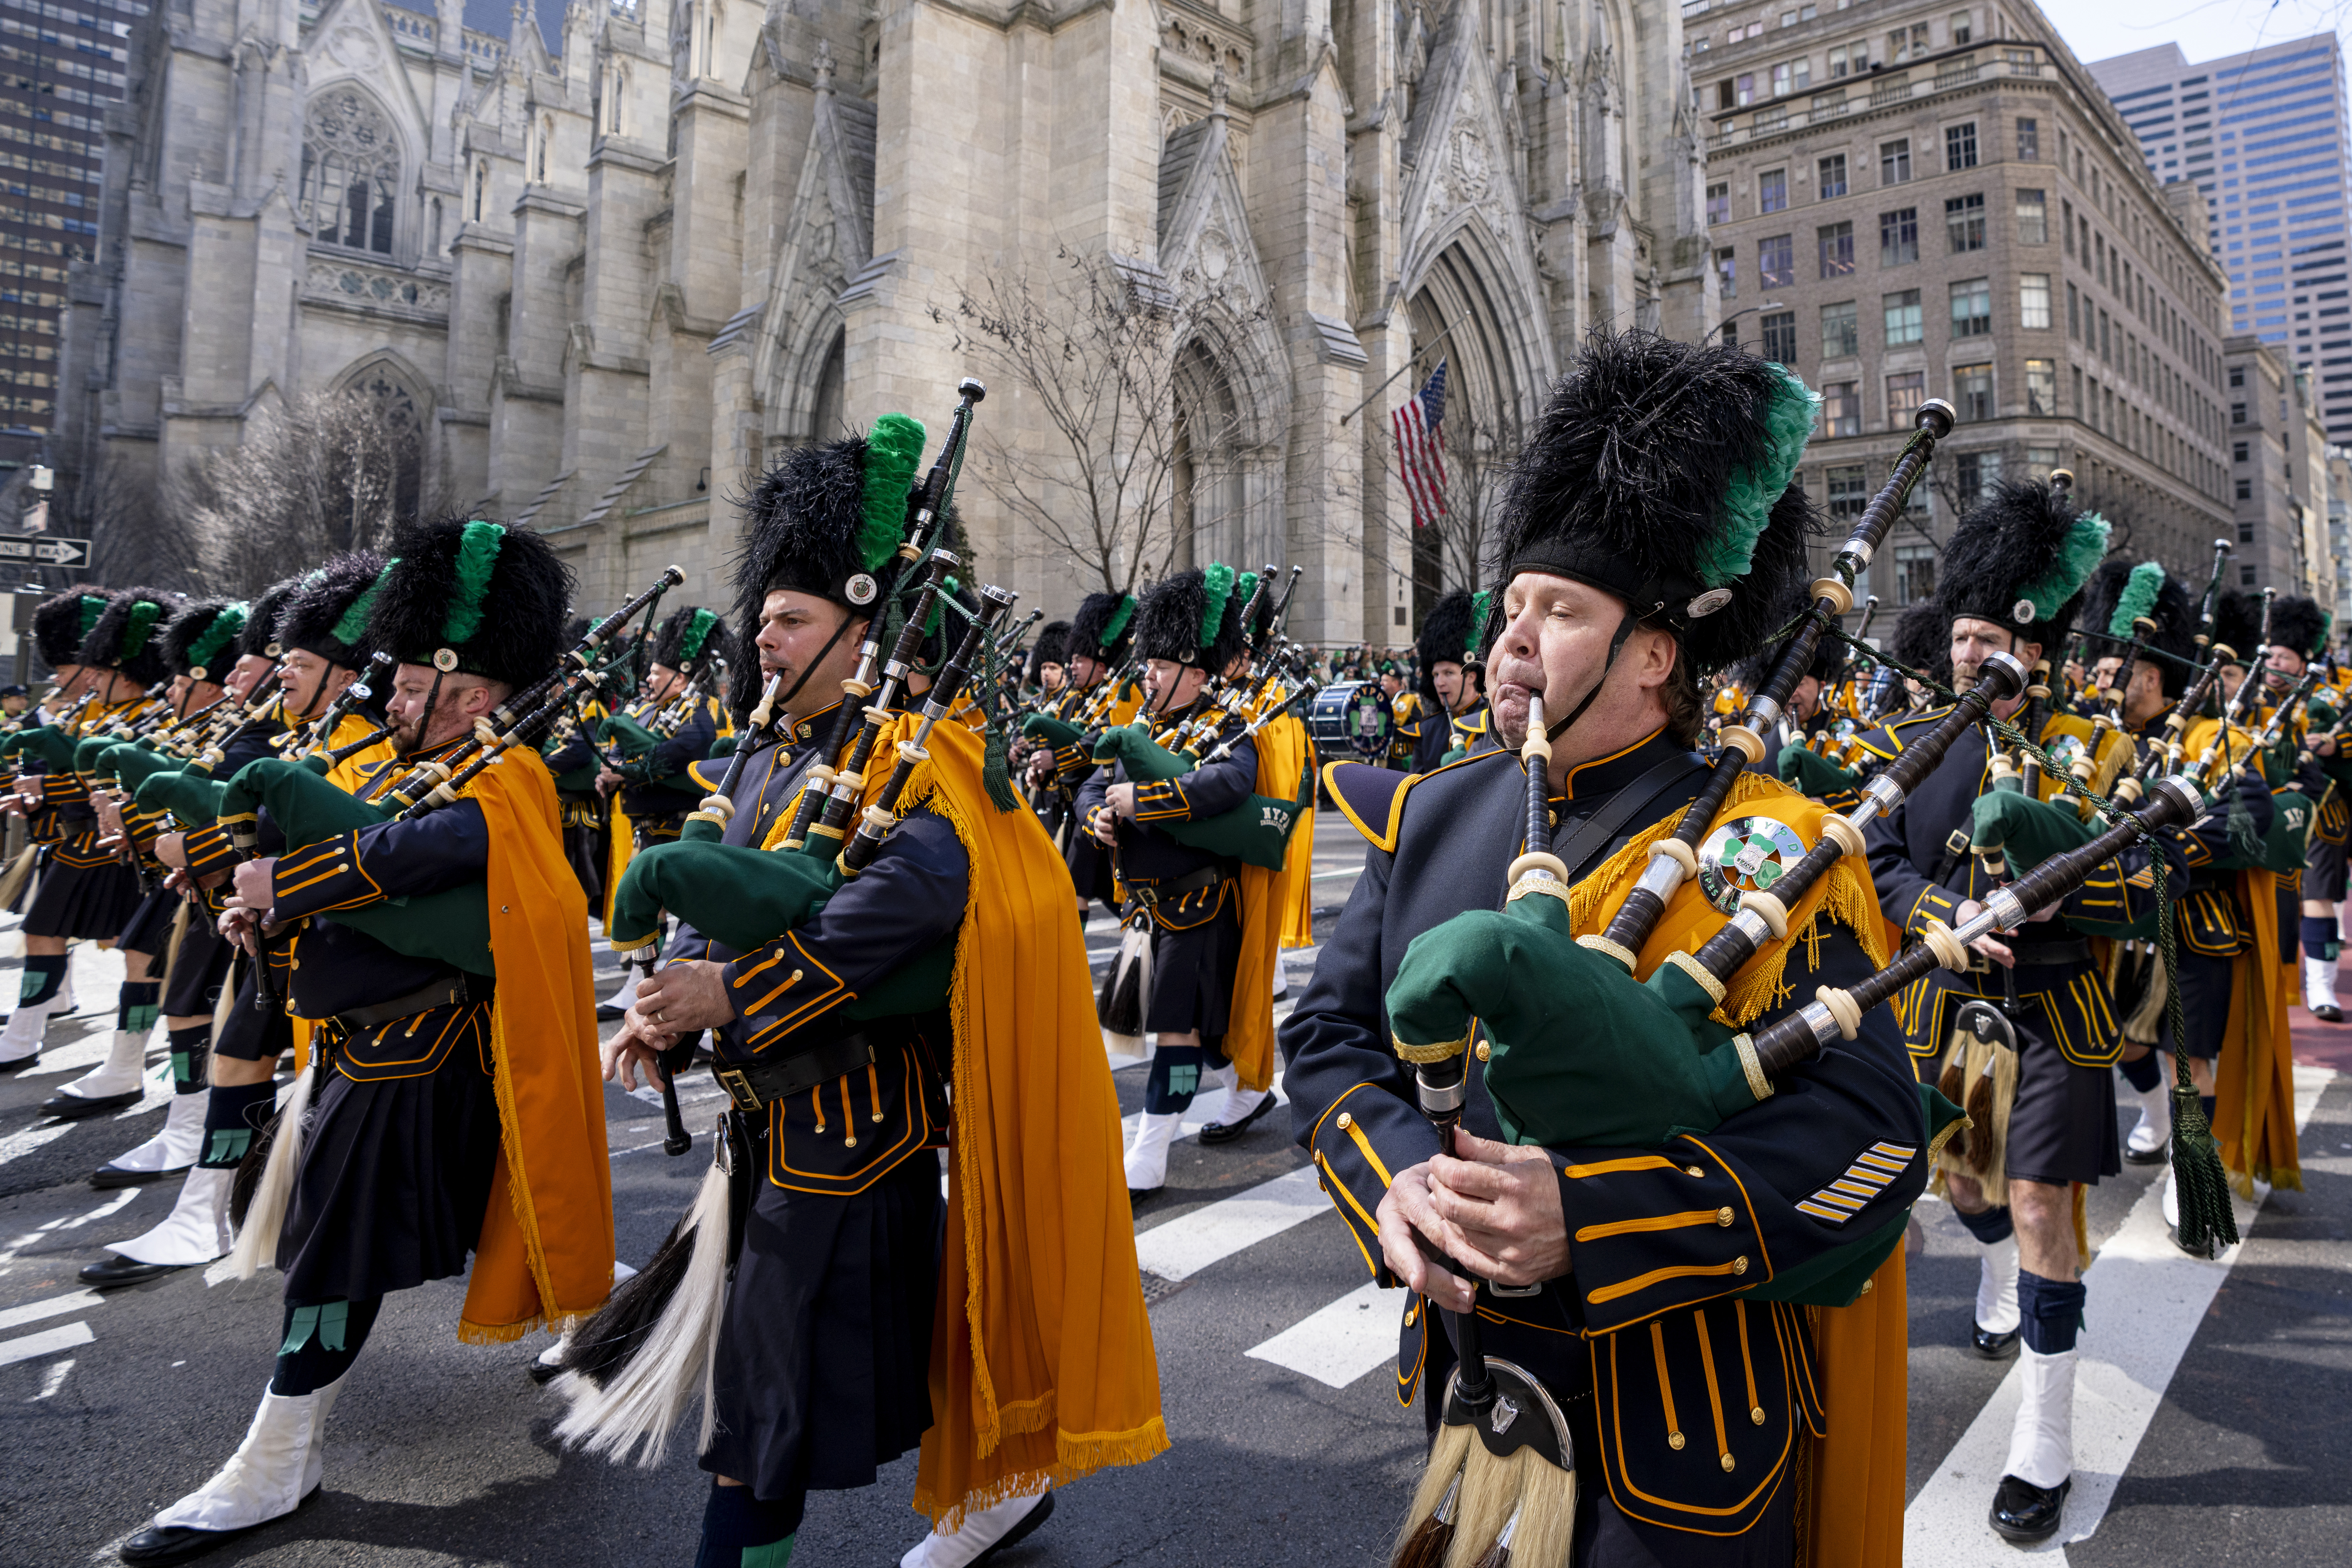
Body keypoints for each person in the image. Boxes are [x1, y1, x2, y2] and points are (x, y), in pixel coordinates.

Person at [1287, 331, 1925, 1566]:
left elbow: (1875, 1142)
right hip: (1476, 1401)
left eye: (1559, 611)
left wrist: (1592, 1216)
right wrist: (1396, 1177)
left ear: (1653, 654)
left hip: (1683, 1446)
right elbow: (1327, 1036)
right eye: (1510, 608)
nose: (1510, 638)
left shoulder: (1773, 846)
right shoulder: (1433, 812)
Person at [596, 422, 1164, 1568]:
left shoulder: (920, 757)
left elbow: (901, 901)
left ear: (868, 633)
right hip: (764, 1132)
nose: (763, 634)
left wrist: (729, 995)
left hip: (855, 1140)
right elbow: (728, 875)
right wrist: (660, 1003)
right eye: (762, 616)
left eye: (791, 619)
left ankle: (995, 1490)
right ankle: (1001, 1493)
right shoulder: (769, 749)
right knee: (872, 1373)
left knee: (760, 1439)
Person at [116, 520, 611, 1564]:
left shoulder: (504, 781)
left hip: (415, 1060)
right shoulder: (419, 761)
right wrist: (267, 894)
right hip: (356, 1051)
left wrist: (285, 882)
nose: (385, 696)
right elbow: (372, 846)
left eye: (409, 684)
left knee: (334, 1262)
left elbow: (412, 856)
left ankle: (277, 1458)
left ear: (468, 691)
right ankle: (596, 1309)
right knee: (376, 1245)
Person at [1851, 476, 2152, 1544]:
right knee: (1958, 1190)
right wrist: (1943, 911)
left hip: (2054, 1012)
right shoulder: (1919, 746)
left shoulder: (2101, 750)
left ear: (2038, 647)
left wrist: (2073, 888)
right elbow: (1876, 863)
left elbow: (2154, 884)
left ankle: (2044, 1437)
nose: (1973, 657)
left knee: (2037, 1208)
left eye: (1992, 639)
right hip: (1944, 1008)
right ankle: (1989, 1268)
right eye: (1961, 637)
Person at [82, 558, 393, 1284]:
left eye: (299, 662)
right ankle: (209, 1205)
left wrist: (193, 845)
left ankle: (575, 1271)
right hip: (294, 942)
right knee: (235, 1050)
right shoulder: (311, 736)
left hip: (360, 957)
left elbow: (307, 829)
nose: (278, 675)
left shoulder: (367, 748)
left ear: (346, 679)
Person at [1080, 565, 1264, 1195]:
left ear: (1195, 668)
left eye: (1160, 666)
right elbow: (1090, 781)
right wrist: (1096, 817)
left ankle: (1152, 1146)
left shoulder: (1228, 726)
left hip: (1199, 904)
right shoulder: (1140, 726)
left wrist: (1145, 801)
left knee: (1174, 1031)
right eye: (1148, 665)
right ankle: (1245, 1090)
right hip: (1141, 910)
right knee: (1204, 1033)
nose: (1148, 676)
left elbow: (1230, 784)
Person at [3, 587, 177, 1084]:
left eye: (100, 671)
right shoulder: (90, 710)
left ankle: (133, 1060)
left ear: (126, 673)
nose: (88, 679)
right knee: (46, 932)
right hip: (84, 841)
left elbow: (105, 777)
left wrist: (47, 785)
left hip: (132, 847)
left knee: (145, 956)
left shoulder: (152, 716)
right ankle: (27, 1030)